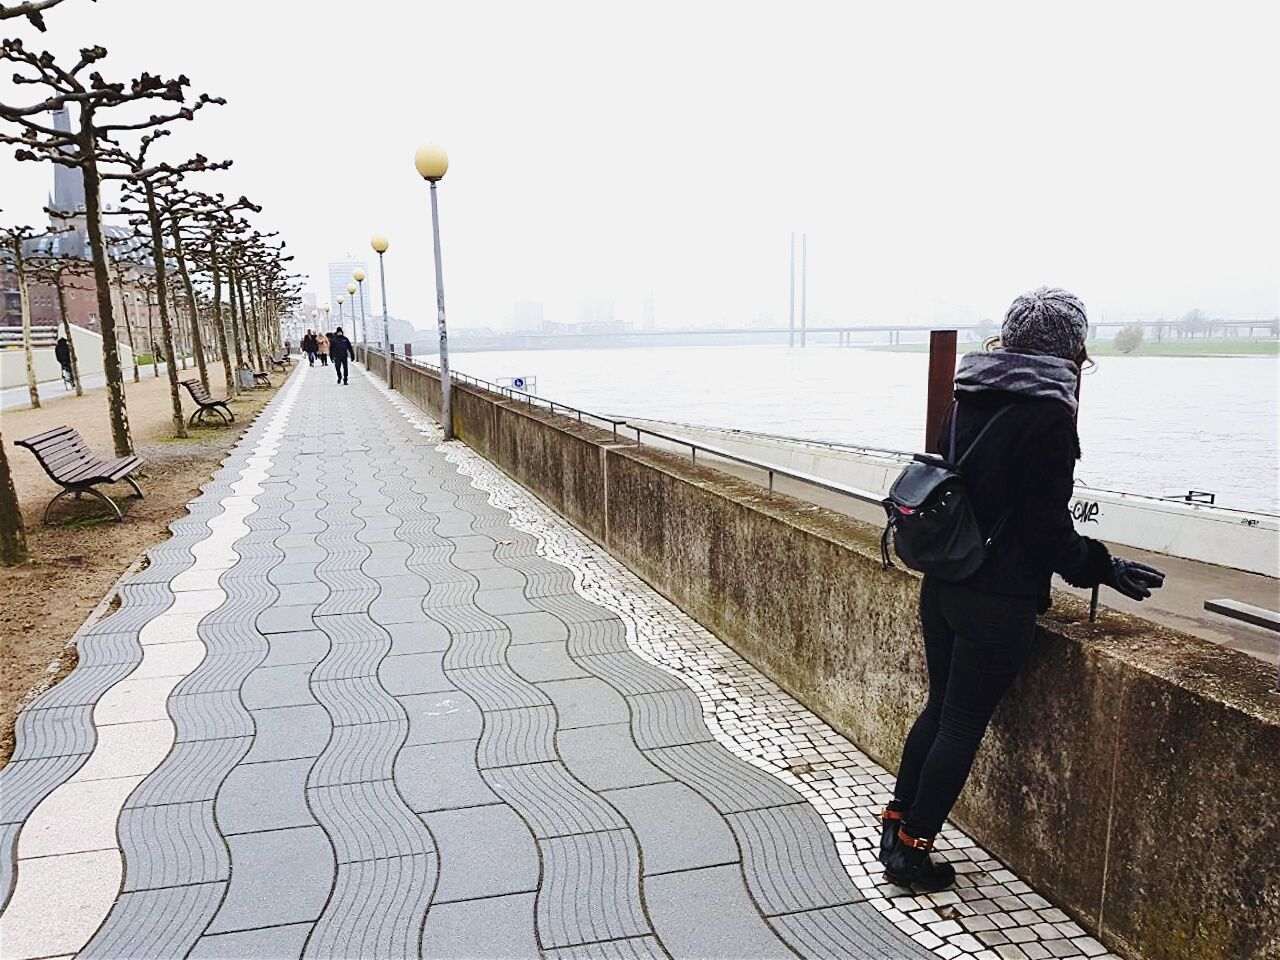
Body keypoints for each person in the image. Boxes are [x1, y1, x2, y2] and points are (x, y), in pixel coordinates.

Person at [880, 287, 1165, 891]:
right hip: (997, 597)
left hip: (945, 581)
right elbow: (1044, 528)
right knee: (961, 724)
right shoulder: (1048, 416)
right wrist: (1103, 566)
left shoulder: (970, 393)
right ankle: (911, 852)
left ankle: (896, 823)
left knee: (939, 708)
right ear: (1070, 349)